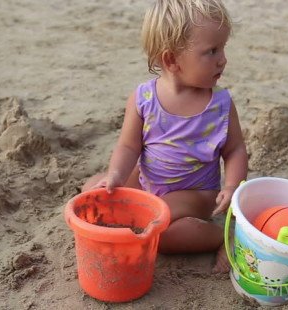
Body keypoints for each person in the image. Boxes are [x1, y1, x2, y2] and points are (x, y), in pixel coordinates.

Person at [82, 0, 247, 273]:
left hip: (196, 193)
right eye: (212, 51)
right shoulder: (144, 98)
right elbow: (128, 145)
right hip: (149, 179)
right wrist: (115, 175)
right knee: (93, 189)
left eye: (223, 48)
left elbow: (235, 150)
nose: (223, 59)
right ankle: (133, 208)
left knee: (162, 232)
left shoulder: (220, 104)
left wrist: (231, 187)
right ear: (171, 60)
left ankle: (225, 237)